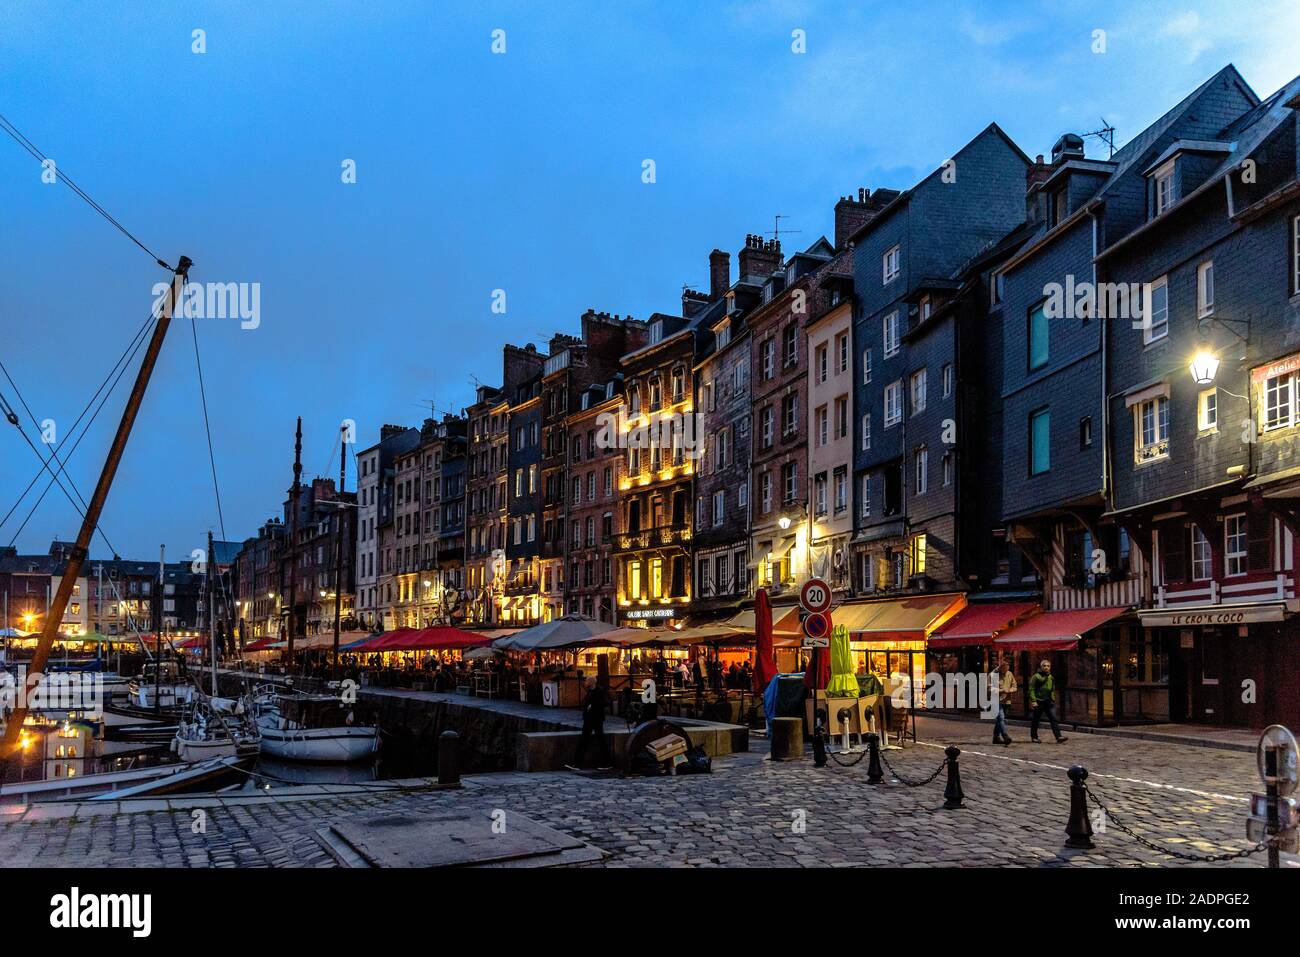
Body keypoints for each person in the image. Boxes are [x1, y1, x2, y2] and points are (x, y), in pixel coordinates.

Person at [1028, 659, 1067, 743]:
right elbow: (1031, 689)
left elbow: (1052, 688)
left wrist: (1052, 698)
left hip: (1048, 701)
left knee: (1053, 719)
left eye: (1048, 666)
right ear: (1041, 667)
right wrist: (1033, 700)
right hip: (1038, 701)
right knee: (1036, 719)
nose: (1046, 667)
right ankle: (1034, 737)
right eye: (1044, 666)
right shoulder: (1036, 676)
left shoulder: (1050, 677)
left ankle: (1058, 737)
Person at [573, 676, 608, 769]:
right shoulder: (590, 691)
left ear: (591, 682)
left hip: (596, 719)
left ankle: (606, 763)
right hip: (589, 719)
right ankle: (577, 763)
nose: (585, 682)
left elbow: (601, 704)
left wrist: (591, 707)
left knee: (599, 741)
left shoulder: (598, 692)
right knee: (585, 740)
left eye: (587, 680)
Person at [993, 659, 1017, 746]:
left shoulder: (1010, 674)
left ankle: (996, 737)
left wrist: (1010, 690)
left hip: (1007, 700)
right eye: (1003, 668)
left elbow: (1015, 686)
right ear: (1000, 667)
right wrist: (1002, 690)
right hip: (996, 700)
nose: (1005, 670)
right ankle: (1005, 736)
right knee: (1001, 718)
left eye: (1007, 668)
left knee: (1000, 720)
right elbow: (989, 688)